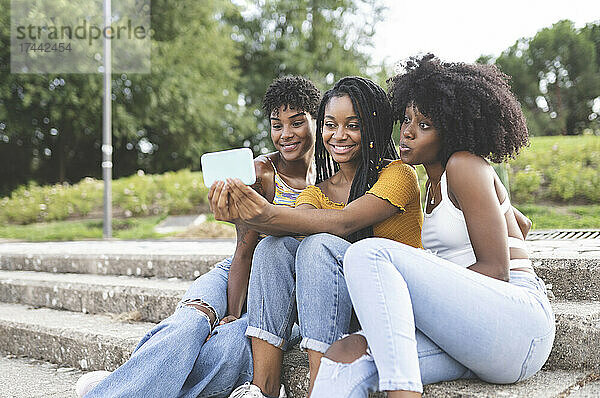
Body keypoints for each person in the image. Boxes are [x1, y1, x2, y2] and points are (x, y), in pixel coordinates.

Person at [309, 55, 554, 398]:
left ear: (451, 130)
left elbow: (497, 270)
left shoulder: (464, 165)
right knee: (344, 357)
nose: (407, 132)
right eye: (407, 119)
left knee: (368, 254)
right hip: (469, 333)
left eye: (424, 125)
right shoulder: (431, 185)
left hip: (516, 323)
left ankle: (403, 393)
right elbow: (521, 225)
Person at [74, 75, 321, 398]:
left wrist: (238, 323)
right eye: (277, 125)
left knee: (231, 349)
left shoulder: (331, 174)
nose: (286, 134)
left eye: (297, 123)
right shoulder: (261, 173)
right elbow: (244, 250)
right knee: (190, 325)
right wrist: (233, 313)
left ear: (318, 121)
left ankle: (119, 387)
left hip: (279, 295)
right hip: (233, 275)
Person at [211, 76, 423, 398]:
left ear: (373, 127)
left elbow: (344, 223)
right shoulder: (318, 191)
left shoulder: (398, 175)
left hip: (393, 302)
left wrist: (263, 213)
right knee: (272, 247)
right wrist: (241, 215)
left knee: (317, 245)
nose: (339, 136)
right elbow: (290, 224)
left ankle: (321, 387)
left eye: (352, 125)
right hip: (341, 304)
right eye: (330, 125)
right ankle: (262, 388)